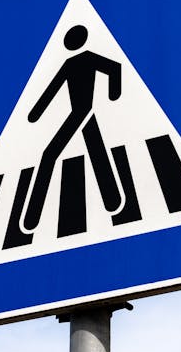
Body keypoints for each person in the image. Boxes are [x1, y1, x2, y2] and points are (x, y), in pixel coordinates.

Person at [23, 24, 122, 231]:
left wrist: (114, 95)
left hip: (83, 112)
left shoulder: (87, 58)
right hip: (82, 113)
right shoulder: (71, 63)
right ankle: (113, 200)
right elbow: (52, 89)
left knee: (49, 154)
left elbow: (114, 68)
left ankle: (31, 218)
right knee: (97, 152)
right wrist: (35, 114)